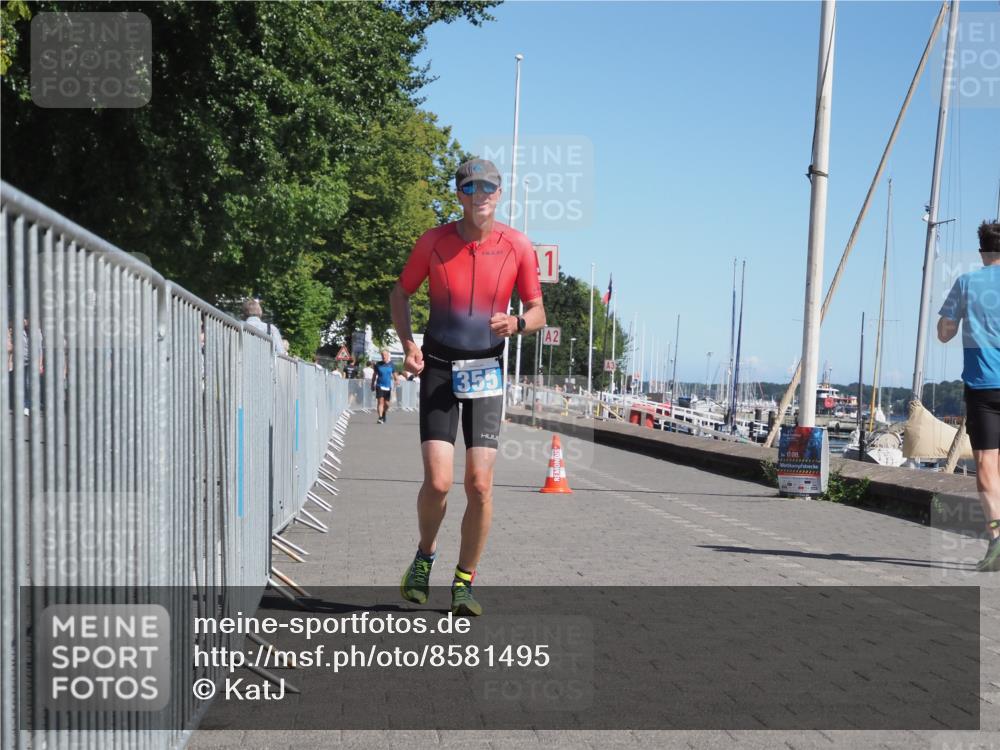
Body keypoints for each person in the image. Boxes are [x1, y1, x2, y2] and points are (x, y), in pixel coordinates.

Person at [390, 157, 545, 616]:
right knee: (438, 483)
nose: (481, 195)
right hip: (437, 366)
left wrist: (516, 322)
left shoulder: (517, 245)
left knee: (478, 485)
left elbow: (538, 312)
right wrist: (406, 343)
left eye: (489, 188)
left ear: (500, 194)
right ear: (459, 194)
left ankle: (464, 580)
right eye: (471, 187)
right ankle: (425, 555)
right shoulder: (434, 242)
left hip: (486, 371)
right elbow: (401, 293)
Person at [938, 221, 1000, 572]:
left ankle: (997, 538)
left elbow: (945, 333)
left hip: (983, 387)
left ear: (982, 251)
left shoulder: (966, 283)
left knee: (987, 466)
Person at [372, 349, 396, 424]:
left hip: (388, 386)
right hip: (379, 385)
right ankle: (380, 417)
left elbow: (395, 374)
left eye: (385, 355)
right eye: (382, 355)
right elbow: (374, 375)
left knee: (387, 404)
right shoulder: (378, 364)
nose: (383, 356)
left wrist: (397, 380)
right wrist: (372, 384)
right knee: (380, 402)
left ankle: (384, 413)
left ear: (388, 356)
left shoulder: (391, 364)